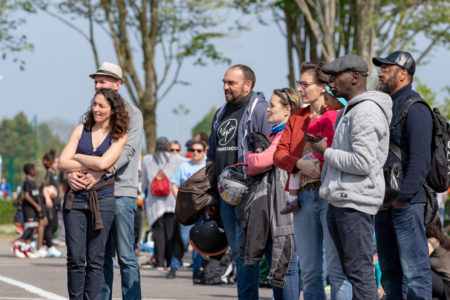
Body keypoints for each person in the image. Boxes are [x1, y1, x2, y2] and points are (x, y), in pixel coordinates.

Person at [312, 54, 392, 299]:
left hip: (355, 203)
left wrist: (326, 152)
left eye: (336, 77)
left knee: (360, 274)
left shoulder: (366, 112)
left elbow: (362, 162)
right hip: (342, 200)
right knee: (353, 272)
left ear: (355, 77)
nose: (330, 83)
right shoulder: (352, 110)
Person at [274, 61, 352, 300]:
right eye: (299, 84)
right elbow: (279, 154)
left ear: (323, 86)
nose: (301, 89)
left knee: (338, 272)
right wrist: (300, 164)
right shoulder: (298, 117)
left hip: (333, 196)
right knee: (309, 271)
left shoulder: (341, 113)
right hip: (303, 198)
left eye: (305, 84)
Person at [65, 62, 143, 300]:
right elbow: (73, 152)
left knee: (126, 256)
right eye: (96, 81)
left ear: (118, 84)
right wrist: (70, 174)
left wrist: (102, 171)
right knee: (100, 257)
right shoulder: (90, 114)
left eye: (103, 81)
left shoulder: (134, 114)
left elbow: (128, 151)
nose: (98, 85)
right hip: (93, 194)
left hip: (120, 192)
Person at [207, 64, 271, 299]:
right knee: (238, 254)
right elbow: (212, 155)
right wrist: (210, 192)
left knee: (248, 254)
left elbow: (268, 151)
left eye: (231, 83)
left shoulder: (260, 110)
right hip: (225, 197)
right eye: (224, 82)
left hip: (250, 195)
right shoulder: (220, 112)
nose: (225, 87)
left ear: (248, 85)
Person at [372, 51, 433, 299]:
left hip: (406, 204)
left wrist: (402, 200)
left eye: (387, 68)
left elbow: (421, 161)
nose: (380, 72)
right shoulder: (384, 105)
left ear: (403, 74)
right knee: (389, 275)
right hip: (384, 204)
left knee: (416, 273)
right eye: (381, 67)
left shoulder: (415, 107)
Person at [59, 88, 129, 300]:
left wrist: (78, 157)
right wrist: (75, 168)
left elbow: (104, 163)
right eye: (95, 104)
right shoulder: (81, 130)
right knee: (75, 258)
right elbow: (62, 161)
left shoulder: (120, 135)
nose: (96, 109)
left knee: (96, 259)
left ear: (113, 110)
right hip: (75, 199)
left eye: (102, 106)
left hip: (103, 200)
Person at [244, 87, 301, 299]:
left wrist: (249, 156)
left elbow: (260, 162)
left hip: (284, 206)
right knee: (276, 265)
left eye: (272, 105)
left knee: (285, 266)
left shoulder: (287, 133)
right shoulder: (274, 133)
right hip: (270, 208)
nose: (267, 109)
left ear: (287, 109)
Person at [281, 85, 347, 214]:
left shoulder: (328, 115)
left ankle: (292, 199)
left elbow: (311, 128)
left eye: (327, 99)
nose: (325, 103)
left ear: (337, 101)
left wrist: (319, 115)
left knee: (297, 167)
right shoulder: (345, 115)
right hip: (336, 155)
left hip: (320, 153)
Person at [141, 137, 187, 271]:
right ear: (167, 146)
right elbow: (190, 162)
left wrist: (144, 193)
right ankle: (169, 261)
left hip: (154, 203)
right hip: (171, 201)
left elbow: (144, 182)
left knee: (158, 233)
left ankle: (159, 263)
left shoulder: (147, 160)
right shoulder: (175, 158)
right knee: (171, 233)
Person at [167, 140, 206, 281]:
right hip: (187, 211)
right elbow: (174, 184)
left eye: (199, 150)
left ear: (204, 152)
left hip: (203, 210)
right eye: (193, 150)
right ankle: (173, 267)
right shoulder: (183, 166)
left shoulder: (208, 166)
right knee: (183, 240)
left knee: (198, 242)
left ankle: (197, 270)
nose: (195, 153)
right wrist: (182, 202)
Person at [36, 149, 63, 258]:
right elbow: (43, 187)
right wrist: (47, 196)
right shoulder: (46, 174)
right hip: (49, 205)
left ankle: (44, 244)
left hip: (55, 204)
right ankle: (49, 247)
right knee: (50, 225)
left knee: (54, 226)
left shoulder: (54, 174)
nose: (57, 164)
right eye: (55, 162)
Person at [12, 163, 40, 258]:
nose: (35, 171)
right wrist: (36, 205)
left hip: (34, 209)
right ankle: (17, 246)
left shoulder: (33, 181)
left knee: (34, 228)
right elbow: (27, 196)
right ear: (30, 171)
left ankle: (27, 249)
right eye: (34, 169)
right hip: (29, 208)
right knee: (29, 228)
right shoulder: (27, 181)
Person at [426, 214, 450, 300]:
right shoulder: (443, 240)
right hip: (444, 284)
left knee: (419, 269)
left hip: (446, 286)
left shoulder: (433, 241)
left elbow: (419, 259)